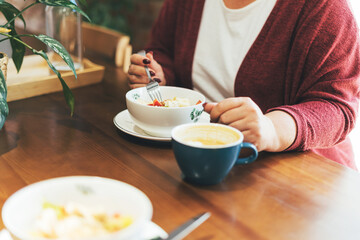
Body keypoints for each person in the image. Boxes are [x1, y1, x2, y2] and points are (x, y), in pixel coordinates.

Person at [127, 0, 360, 169]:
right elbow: (163, 48)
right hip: (200, 155)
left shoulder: (325, 7)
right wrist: (160, 74)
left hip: (299, 178)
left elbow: (338, 107)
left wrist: (272, 129)